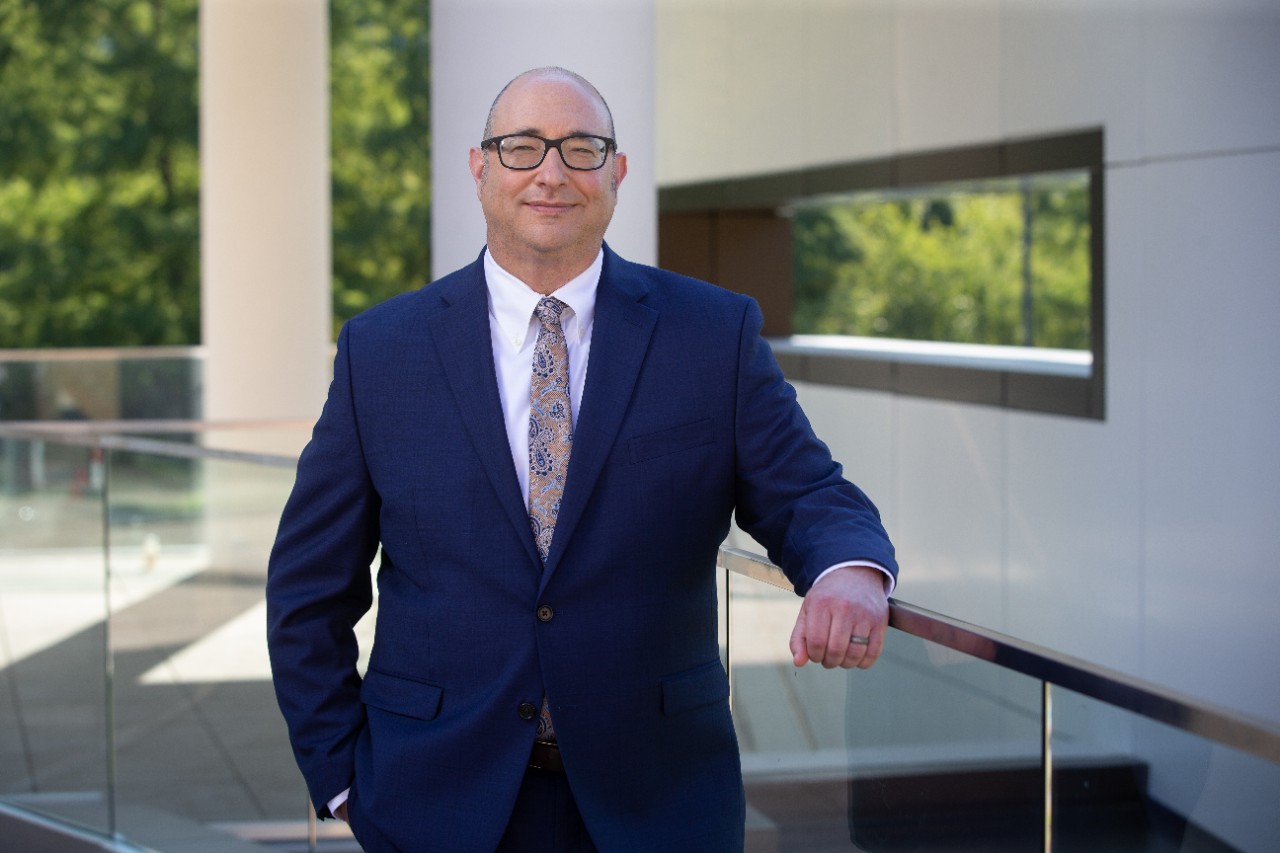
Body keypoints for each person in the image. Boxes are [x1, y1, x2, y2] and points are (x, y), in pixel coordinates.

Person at [267, 67, 897, 853]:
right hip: (431, 801)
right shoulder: (380, 351)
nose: (552, 172)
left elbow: (810, 492)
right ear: (480, 167)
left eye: (582, 148)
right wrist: (340, 779)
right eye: (522, 147)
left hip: (659, 802)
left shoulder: (712, 334)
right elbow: (307, 589)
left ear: (618, 171)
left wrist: (849, 570)